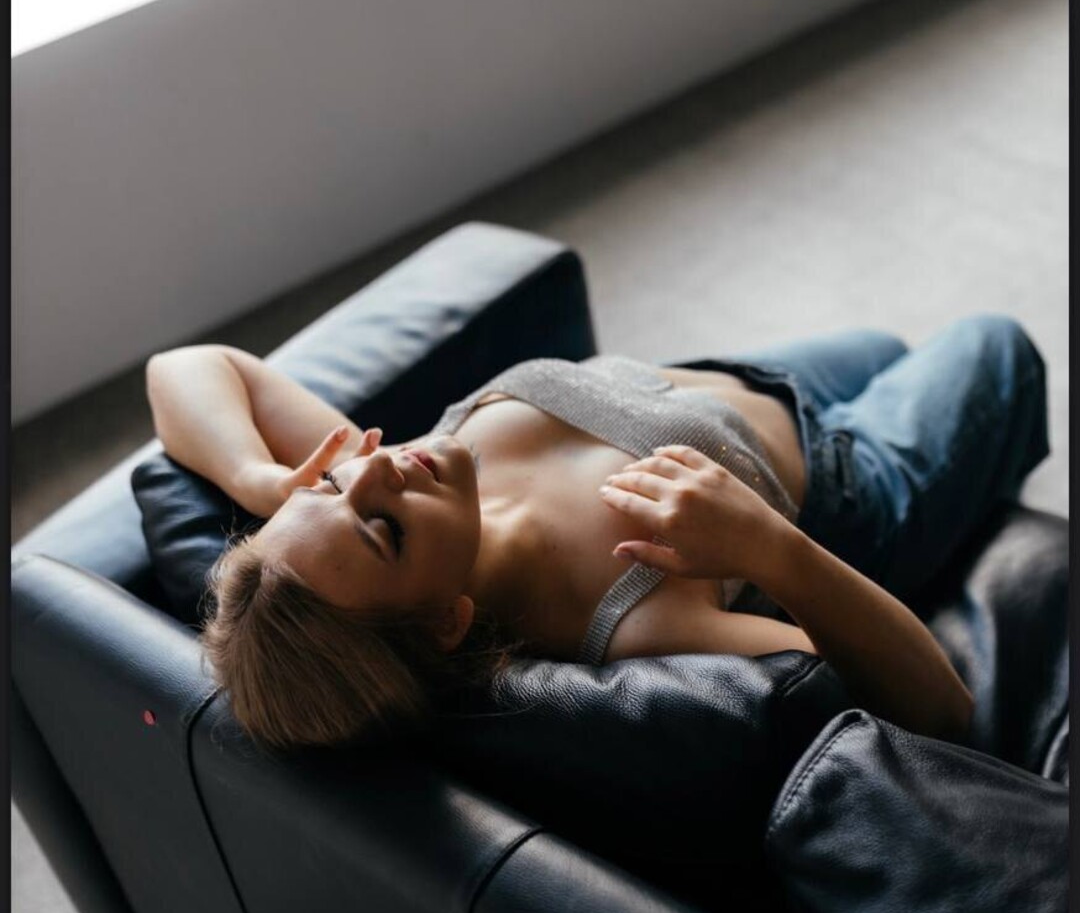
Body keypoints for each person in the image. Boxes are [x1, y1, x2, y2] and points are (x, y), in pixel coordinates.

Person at [145, 314, 1049, 751]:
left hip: (737, 380)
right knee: (995, 342)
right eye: (383, 529)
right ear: (447, 620)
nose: (373, 469)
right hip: (848, 481)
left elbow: (190, 365)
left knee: (886, 343)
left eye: (331, 483)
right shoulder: (634, 614)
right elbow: (940, 710)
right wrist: (770, 548)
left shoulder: (395, 488)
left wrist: (263, 480)